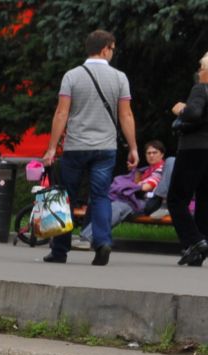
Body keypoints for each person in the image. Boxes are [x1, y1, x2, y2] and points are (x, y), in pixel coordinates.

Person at [41, 29, 136, 266]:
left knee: (66, 197)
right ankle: (102, 242)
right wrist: (133, 146)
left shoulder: (72, 76)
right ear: (104, 48)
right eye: (112, 49)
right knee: (101, 196)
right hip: (106, 148)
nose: (113, 53)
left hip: (75, 147)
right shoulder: (120, 78)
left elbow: (62, 112)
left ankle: (60, 250)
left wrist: (52, 147)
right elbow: (125, 115)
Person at [77, 139, 169, 245]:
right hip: (132, 199)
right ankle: (85, 236)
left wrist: (130, 185)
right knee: (97, 201)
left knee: (115, 207)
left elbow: (146, 187)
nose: (151, 155)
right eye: (149, 153)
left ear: (162, 154)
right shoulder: (146, 170)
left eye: (155, 153)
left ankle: (86, 238)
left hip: (144, 203)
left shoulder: (161, 169)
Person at [170, 53, 208, 266]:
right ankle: (199, 250)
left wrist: (180, 109)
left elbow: (193, 113)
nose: (199, 73)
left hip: (194, 149)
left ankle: (194, 241)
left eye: (201, 68)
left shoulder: (200, 89)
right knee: (205, 201)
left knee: (177, 199)